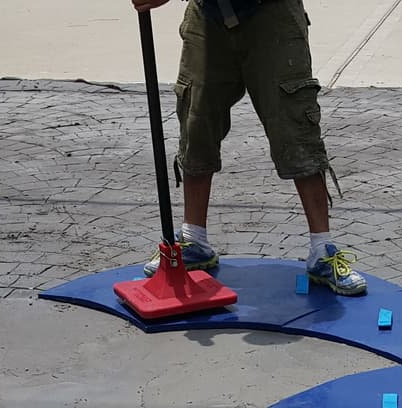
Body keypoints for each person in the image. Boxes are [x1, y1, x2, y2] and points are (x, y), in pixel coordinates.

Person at [131, 0, 367, 296]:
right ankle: (194, 240)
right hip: (208, 14)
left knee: (294, 125)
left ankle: (322, 250)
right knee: (197, 118)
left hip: (271, 13)